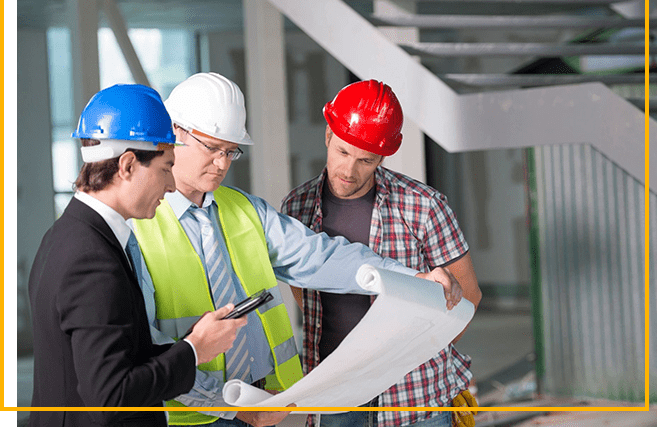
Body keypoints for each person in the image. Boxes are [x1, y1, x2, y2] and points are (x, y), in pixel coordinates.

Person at [131, 72, 463, 427]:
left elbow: (321, 256)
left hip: (263, 401)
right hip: (196, 413)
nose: (223, 163)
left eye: (231, 151)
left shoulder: (244, 208)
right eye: (211, 147)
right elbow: (144, 347)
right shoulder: (138, 225)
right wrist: (228, 404)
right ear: (174, 133)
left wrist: (413, 277)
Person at [28, 84, 247, 427]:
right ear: (128, 165)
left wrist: (190, 342)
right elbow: (111, 395)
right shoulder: (91, 260)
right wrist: (193, 352)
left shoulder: (66, 236)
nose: (172, 186)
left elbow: (108, 360)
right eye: (165, 169)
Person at [281, 80, 483, 427]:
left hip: (414, 394)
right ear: (328, 135)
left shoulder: (422, 206)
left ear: (382, 156)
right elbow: (302, 288)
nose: (349, 170)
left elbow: (468, 295)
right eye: (342, 152)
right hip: (335, 389)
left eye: (365, 160)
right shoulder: (296, 207)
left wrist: (418, 353)